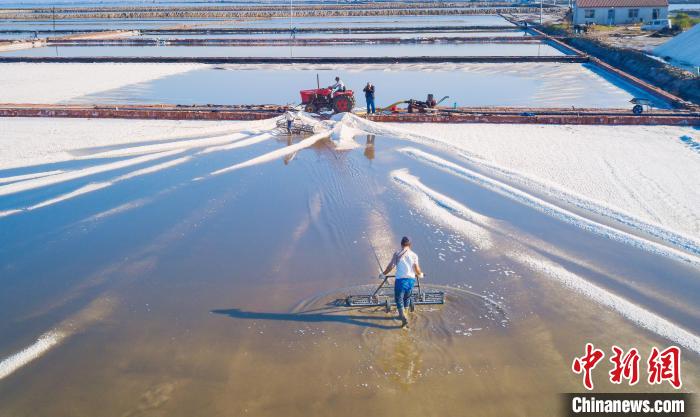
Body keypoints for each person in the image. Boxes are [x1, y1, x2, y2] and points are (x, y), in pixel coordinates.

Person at [380, 236, 423, 328]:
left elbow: (391, 266)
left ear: (401, 244)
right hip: (411, 281)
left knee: (399, 299)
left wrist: (383, 274)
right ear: (410, 245)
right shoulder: (414, 255)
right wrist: (420, 274)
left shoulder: (397, 254)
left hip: (400, 281)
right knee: (407, 298)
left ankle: (402, 317)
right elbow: (416, 268)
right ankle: (406, 313)